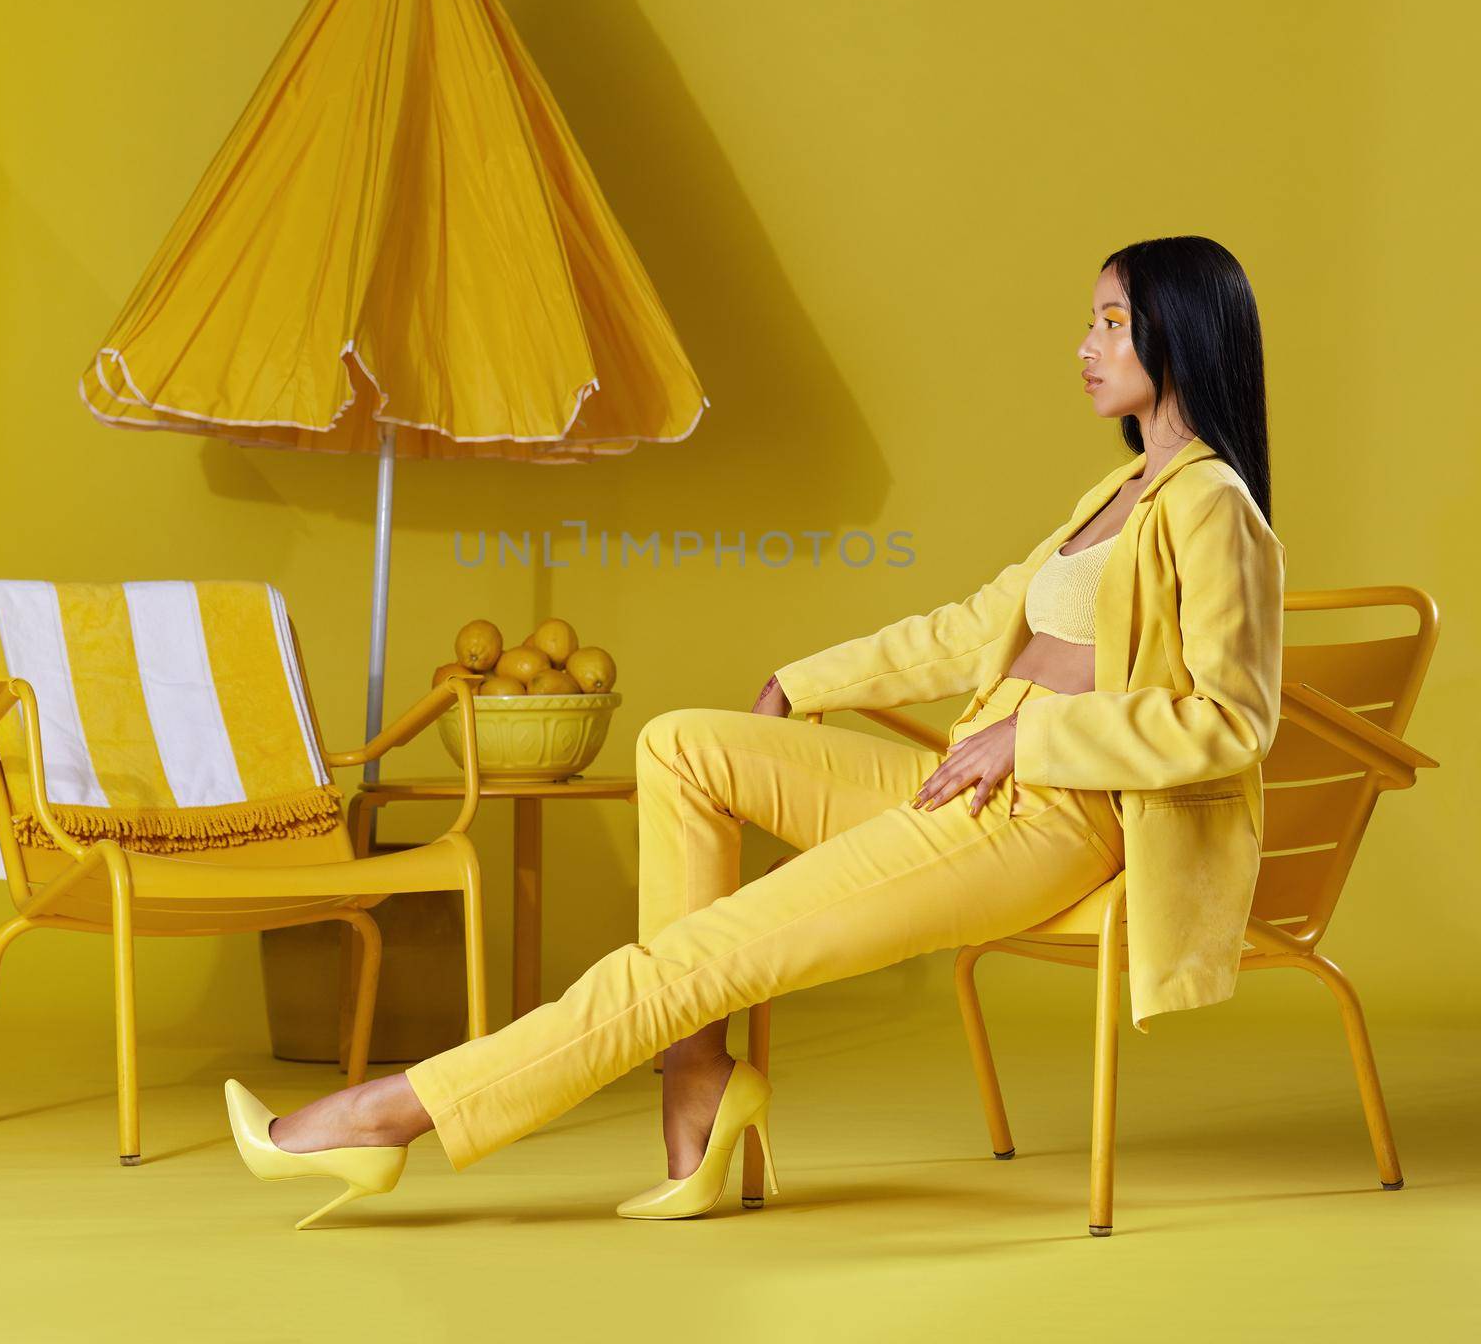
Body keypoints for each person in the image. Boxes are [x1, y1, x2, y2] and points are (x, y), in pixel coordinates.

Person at [224, 234, 1286, 1230]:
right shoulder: (1117, 489)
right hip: (975, 770)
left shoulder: (1212, 507)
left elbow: (1231, 718)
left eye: (1110, 321)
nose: (1084, 345)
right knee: (683, 743)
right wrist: (801, 678)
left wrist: (1035, 744)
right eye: (1092, 321)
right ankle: (699, 1083)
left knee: (706, 952)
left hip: (1050, 810)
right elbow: (974, 627)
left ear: (1180, 333)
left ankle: (390, 1115)